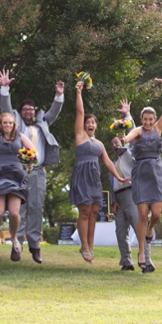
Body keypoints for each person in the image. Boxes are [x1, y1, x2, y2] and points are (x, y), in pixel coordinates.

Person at [0, 69, 64, 264]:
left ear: (35, 113)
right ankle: (16, 245)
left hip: (38, 171)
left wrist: (58, 96)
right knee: (18, 209)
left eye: (31, 110)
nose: (28, 112)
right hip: (18, 171)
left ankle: (35, 247)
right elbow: (6, 110)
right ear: (21, 112)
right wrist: (5, 88)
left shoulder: (43, 123)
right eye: (25, 110)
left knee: (36, 207)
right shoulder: (16, 124)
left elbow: (54, 111)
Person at [71, 81, 128, 264]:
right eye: (88, 122)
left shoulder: (100, 144)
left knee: (95, 211)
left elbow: (107, 162)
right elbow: (80, 112)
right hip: (81, 177)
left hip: (94, 178)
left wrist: (118, 177)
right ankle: (84, 246)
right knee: (85, 211)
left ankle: (90, 245)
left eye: (93, 122)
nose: (91, 124)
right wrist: (79, 92)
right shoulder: (80, 136)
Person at [122, 78, 162, 273]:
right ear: (141, 120)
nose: (149, 122)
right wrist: (122, 139)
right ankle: (141, 252)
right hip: (140, 173)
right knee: (142, 215)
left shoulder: (158, 129)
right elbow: (128, 137)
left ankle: (151, 229)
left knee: (157, 214)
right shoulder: (137, 131)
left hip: (156, 173)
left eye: (151, 119)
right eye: (145, 119)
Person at [0, 82, 35, 261]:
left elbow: (33, 153)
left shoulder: (20, 136)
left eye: (10, 122)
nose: (8, 125)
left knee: (14, 213)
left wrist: (29, 163)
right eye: (5, 122)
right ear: (0, 124)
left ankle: (14, 239)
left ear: (14, 124)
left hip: (16, 177)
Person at [109, 125, 152, 272]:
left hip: (131, 194)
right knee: (120, 231)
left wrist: (127, 125)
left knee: (139, 228)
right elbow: (112, 183)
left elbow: (135, 136)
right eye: (113, 143)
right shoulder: (113, 163)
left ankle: (147, 262)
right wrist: (114, 201)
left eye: (117, 142)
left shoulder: (130, 155)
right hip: (119, 199)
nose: (116, 145)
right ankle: (126, 262)